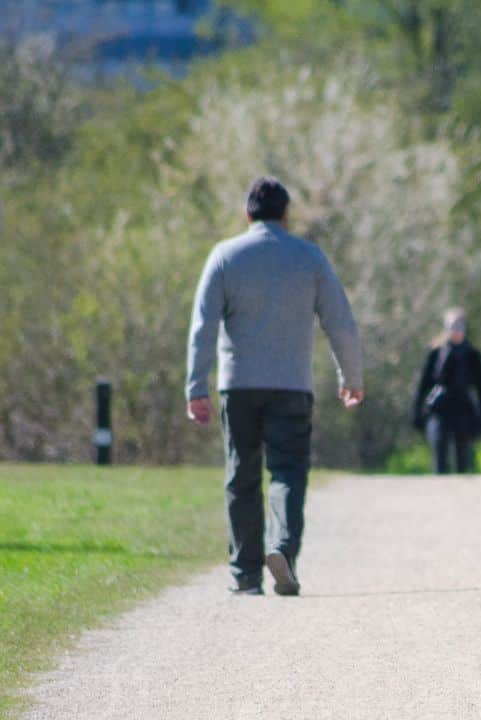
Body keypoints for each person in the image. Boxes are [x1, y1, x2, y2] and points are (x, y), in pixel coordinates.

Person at [186, 176, 364, 597]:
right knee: (287, 472)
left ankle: (246, 574)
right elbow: (340, 321)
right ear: (286, 215)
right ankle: (282, 549)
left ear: (247, 214)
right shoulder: (310, 258)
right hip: (291, 385)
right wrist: (351, 377)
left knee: (241, 475)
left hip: (239, 385)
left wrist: (197, 387)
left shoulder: (225, 256)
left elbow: (203, 326)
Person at [411, 308, 481, 474]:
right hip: (440, 409)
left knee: (463, 457)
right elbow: (423, 384)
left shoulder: (472, 355)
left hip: (463, 409)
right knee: (439, 449)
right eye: (451, 326)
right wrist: (416, 411)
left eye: (458, 326)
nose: (455, 331)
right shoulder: (436, 353)